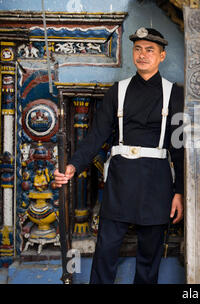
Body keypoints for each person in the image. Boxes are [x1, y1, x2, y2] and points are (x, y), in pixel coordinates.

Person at [54, 27, 184, 284]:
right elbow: (96, 136)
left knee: (149, 257)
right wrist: (73, 165)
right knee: (106, 251)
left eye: (150, 50)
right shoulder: (118, 91)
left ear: (162, 56)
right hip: (121, 180)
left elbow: (179, 148)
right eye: (138, 49)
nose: (142, 55)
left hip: (157, 183)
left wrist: (179, 192)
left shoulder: (174, 94)